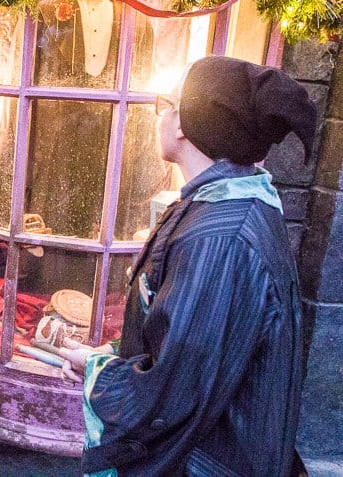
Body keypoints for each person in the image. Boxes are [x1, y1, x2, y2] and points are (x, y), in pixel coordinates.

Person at [58, 56, 316, 476]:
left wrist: (98, 373)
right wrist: (107, 354)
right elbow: (193, 344)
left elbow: (174, 392)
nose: (161, 114)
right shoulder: (222, 206)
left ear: (184, 123)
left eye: (167, 103)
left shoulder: (221, 238)